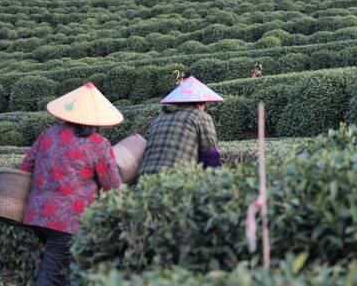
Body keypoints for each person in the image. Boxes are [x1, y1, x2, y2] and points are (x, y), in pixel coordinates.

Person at [19, 82, 123, 286]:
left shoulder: (47, 135)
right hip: (68, 221)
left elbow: (25, 166)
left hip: (37, 216)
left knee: (66, 270)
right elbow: (112, 186)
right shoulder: (99, 144)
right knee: (52, 275)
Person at [137, 76, 224, 177]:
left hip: (145, 180)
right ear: (201, 104)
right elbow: (211, 154)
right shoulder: (199, 116)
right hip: (175, 179)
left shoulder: (159, 119)